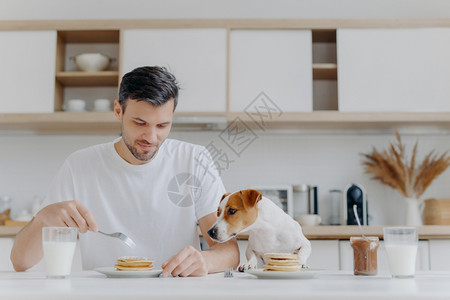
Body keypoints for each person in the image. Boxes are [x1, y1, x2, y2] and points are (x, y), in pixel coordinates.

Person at [10, 66, 239, 277]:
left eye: (162, 126)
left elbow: (229, 251)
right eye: (139, 123)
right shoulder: (79, 166)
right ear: (118, 111)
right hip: (102, 294)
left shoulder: (193, 160)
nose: (151, 138)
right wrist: (41, 220)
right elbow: (20, 262)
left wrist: (205, 262)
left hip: (173, 290)